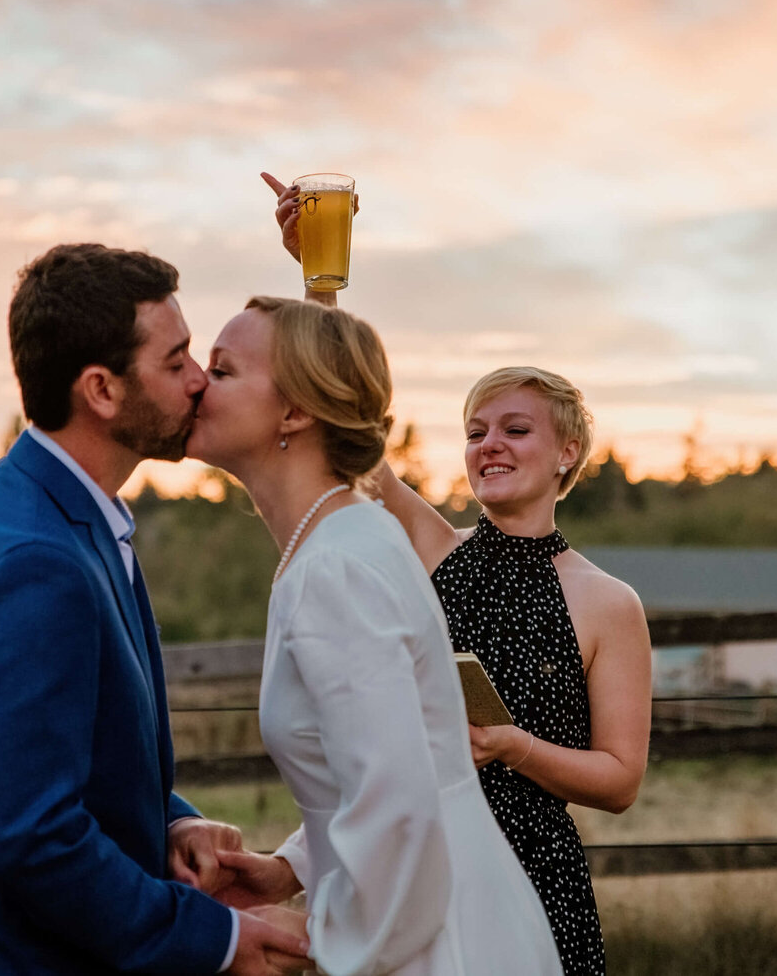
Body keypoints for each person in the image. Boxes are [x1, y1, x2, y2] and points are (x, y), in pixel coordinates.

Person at [0, 244, 311, 975]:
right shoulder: (33, 562)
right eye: (175, 362)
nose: (199, 379)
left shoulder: (58, 514)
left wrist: (169, 819)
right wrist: (214, 939)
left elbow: (59, 753)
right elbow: (28, 834)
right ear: (101, 389)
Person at [263, 174, 653, 976]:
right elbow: (348, 428)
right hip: (426, 873)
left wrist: (512, 746)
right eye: (476, 431)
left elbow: (619, 779)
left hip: (541, 881)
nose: (490, 445)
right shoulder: (437, 550)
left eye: (516, 428)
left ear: (567, 452)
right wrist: (318, 281)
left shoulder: (610, 603)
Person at [186, 296, 563, 976]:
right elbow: (394, 756)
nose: (193, 384)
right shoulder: (346, 536)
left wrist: (312, 937)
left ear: (295, 411)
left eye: (221, 370)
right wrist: (291, 867)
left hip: (432, 944)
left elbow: (401, 813)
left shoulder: (336, 565)